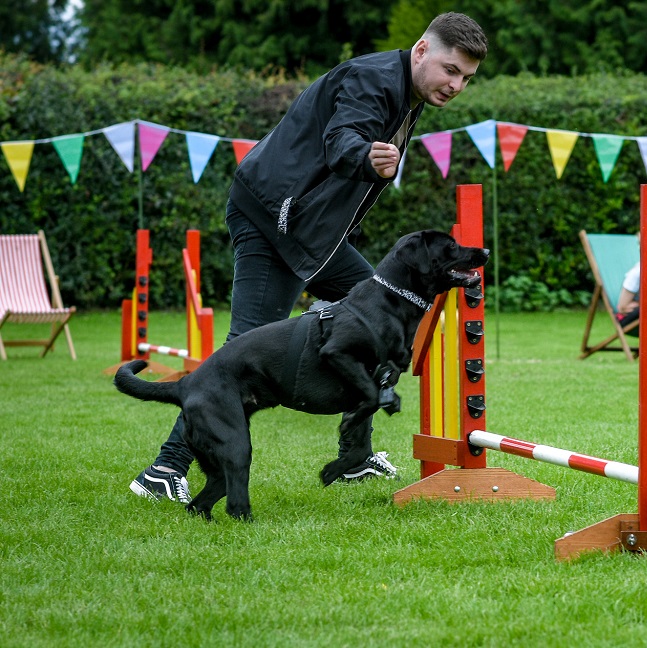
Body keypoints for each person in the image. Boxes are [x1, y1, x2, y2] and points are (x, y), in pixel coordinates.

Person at [130, 13, 488, 503]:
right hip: (271, 218)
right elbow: (343, 140)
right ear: (422, 51)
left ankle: (353, 458)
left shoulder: (407, 92)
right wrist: (365, 158)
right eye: (451, 70)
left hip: (312, 232)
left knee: (384, 312)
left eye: (466, 78)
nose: (456, 85)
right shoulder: (373, 79)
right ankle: (164, 469)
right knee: (242, 350)